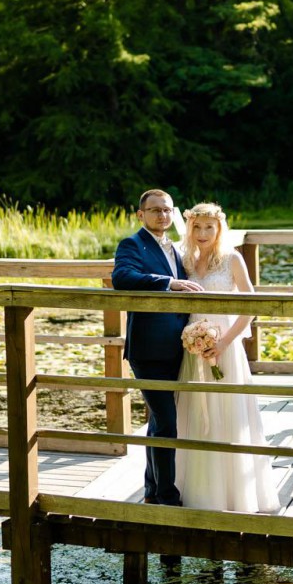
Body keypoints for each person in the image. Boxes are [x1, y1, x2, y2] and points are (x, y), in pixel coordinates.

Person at [174, 202, 279, 514]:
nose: (203, 233)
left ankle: (237, 495)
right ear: (189, 228)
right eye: (197, 227)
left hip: (226, 347)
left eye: (209, 227)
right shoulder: (184, 261)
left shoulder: (232, 259)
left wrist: (223, 343)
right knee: (197, 416)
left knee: (229, 415)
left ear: (219, 229)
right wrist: (194, 339)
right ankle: (199, 493)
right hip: (194, 349)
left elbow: (250, 306)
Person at [112, 188, 202, 506]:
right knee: (165, 420)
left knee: (159, 420)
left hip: (176, 346)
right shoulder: (131, 244)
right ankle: (167, 496)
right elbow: (122, 277)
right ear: (141, 215)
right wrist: (168, 283)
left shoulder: (175, 248)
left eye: (166, 210)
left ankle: (152, 490)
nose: (162, 215)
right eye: (155, 210)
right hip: (148, 348)